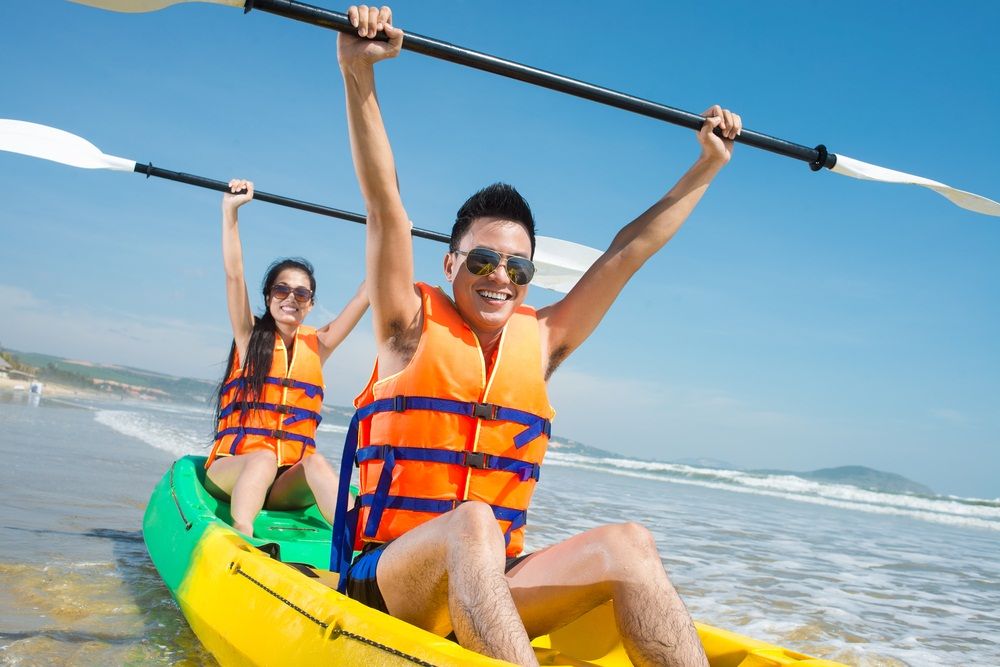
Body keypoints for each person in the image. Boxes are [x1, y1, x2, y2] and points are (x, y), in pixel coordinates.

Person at [333, 7, 741, 666]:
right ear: (450, 264)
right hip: (387, 582)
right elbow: (386, 207)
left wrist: (706, 168)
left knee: (630, 543)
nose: (500, 277)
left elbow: (625, 254)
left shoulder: (544, 338)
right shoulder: (406, 325)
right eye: (482, 260)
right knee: (472, 521)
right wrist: (358, 75)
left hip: (489, 582)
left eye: (517, 267)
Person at [205, 179, 368, 538]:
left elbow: (365, 294)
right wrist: (230, 213)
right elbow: (234, 275)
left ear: (310, 303)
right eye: (282, 288)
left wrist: (389, 233)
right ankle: (243, 534)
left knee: (316, 461)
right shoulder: (249, 337)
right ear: (268, 296)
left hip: (283, 485)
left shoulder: (318, 345)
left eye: (301, 292)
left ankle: (361, 542)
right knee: (262, 457)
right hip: (232, 472)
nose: (290, 297)